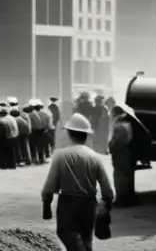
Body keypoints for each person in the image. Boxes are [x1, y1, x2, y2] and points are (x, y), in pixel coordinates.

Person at [41, 112, 115, 251]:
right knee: (86, 239)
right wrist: (106, 207)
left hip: (68, 203)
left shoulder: (60, 155)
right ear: (86, 135)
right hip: (89, 204)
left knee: (66, 232)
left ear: (69, 133)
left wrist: (46, 206)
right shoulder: (95, 157)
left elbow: (49, 186)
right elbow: (108, 190)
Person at [108, 104, 136, 208]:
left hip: (119, 152)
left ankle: (121, 199)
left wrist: (110, 146)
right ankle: (127, 199)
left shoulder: (118, 126)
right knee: (126, 175)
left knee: (119, 176)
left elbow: (116, 141)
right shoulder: (128, 124)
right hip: (126, 151)